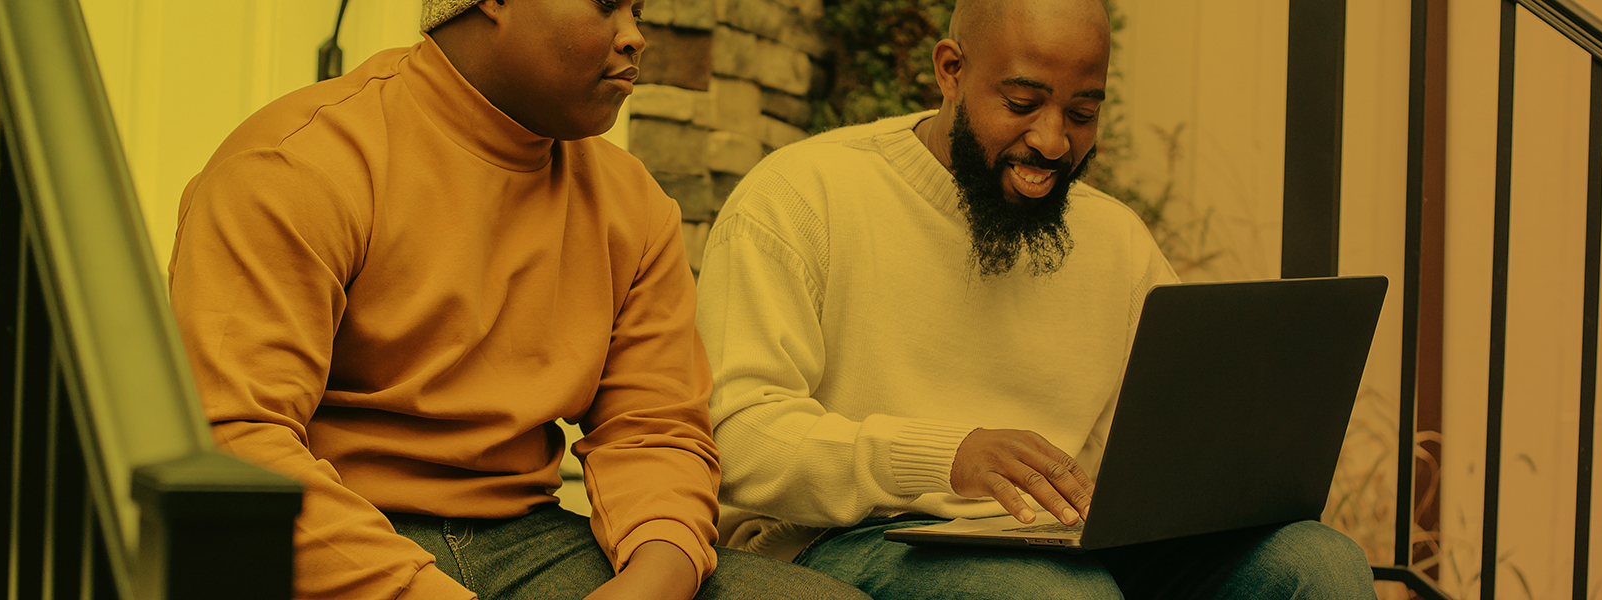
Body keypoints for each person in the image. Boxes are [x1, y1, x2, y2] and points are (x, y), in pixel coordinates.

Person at [169, 1, 869, 598]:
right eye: (605, 3)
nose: (634, 35)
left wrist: (657, 572)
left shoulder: (630, 204)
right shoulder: (300, 163)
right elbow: (237, 441)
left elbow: (653, 429)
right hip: (341, 533)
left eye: (639, 9)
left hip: (526, 538)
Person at [693, 0, 1378, 598]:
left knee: (1315, 564)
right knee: (1047, 593)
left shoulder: (1116, 240)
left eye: (1082, 112)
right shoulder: (802, 196)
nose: (1052, 142)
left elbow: (1153, 446)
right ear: (950, 70)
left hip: (1054, 542)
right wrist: (948, 455)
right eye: (1022, 104)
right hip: (850, 538)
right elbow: (738, 437)